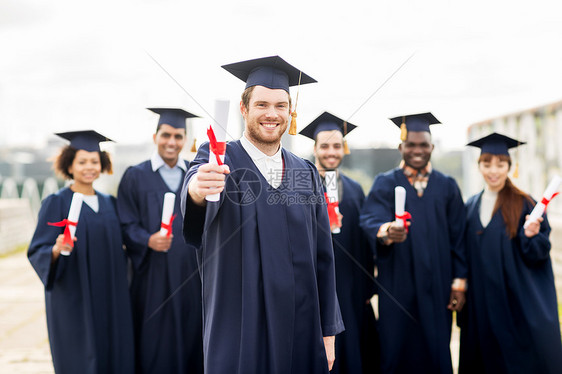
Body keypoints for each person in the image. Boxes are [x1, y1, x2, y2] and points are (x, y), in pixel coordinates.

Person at [180, 55, 344, 374]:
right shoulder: (218, 158)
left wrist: (328, 333)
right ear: (244, 109)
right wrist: (198, 189)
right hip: (239, 330)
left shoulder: (306, 173)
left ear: (289, 113)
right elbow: (196, 187)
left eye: (280, 105)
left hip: (301, 327)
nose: (272, 114)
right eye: (261, 104)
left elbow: (324, 259)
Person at [359, 113, 467, 374]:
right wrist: (386, 231)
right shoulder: (385, 183)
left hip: (438, 284)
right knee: (396, 351)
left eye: (423, 145)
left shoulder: (447, 186)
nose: (417, 150)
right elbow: (369, 219)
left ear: (431, 147)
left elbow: (459, 237)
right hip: (397, 285)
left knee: (436, 349)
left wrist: (459, 283)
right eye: (411, 145)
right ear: (401, 147)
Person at [27, 130, 134, 374]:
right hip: (76, 295)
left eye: (94, 162)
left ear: (103, 164)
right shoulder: (56, 202)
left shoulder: (110, 203)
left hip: (111, 294)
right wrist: (56, 248)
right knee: (81, 357)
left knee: (113, 352)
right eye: (82, 162)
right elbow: (37, 250)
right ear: (70, 165)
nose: (89, 167)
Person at [459, 132, 562, 374]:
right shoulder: (470, 205)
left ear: (509, 167)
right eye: (487, 163)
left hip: (513, 304)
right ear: (479, 166)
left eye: (500, 164)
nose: (493, 170)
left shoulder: (525, 203)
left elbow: (538, 254)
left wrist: (531, 236)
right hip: (481, 304)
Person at [116, 108, 204, 374]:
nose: (171, 141)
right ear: (155, 137)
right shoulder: (135, 175)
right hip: (153, 277)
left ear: (186, 140)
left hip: (191, 276)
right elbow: (125, 222)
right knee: (157, 344)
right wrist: (147, 240)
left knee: (194, 338)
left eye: (178, 136)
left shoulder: (196, 174)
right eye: (166, 135)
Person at [300, 111, 379, 374]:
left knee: (352, 353)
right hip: (313, 287)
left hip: (350, 288)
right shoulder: (299, 185)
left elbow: (366, 243)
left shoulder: (356, 189)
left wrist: (367, 288)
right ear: (314, 148)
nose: (331, 152)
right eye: (324, 146)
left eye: (336, 146)